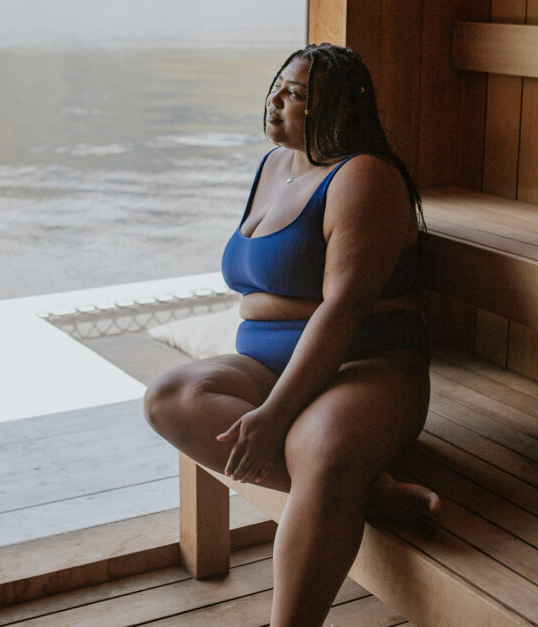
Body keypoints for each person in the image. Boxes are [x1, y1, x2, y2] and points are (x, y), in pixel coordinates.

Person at [143, 43, 441, 626]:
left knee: (321, 450)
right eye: (278, 85)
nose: (277, 98)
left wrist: (276, 413)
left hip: (369, 365)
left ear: (334, 109)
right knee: (169, 397)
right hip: (269, 361)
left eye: (297, 93)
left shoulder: (363, 178)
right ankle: (367, 491)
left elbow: (343, 309)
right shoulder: (275, 165)